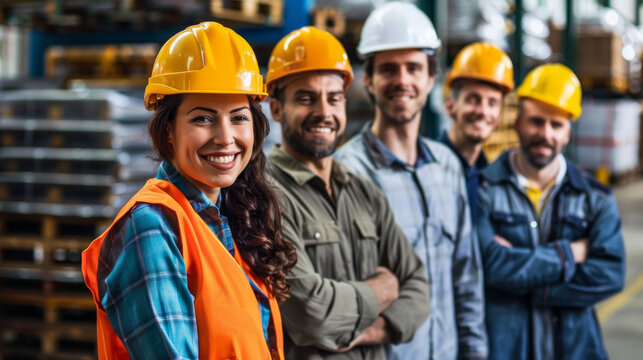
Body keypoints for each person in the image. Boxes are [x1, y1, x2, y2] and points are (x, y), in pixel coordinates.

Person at [81, 22, 296, 359]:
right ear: (168, 131)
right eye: (203, 119)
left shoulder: (230, 217)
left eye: (238, 117)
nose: (226, 137)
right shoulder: (152, 228)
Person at [265, 26, 430, 359]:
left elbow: (418, 286)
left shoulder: (363, 192)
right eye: (306, 98)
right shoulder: (266, 196)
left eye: (334, 98)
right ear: (277, 109)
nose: (324, 112)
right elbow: (311, 316)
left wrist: (374, 331)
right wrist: (382, 289)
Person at [335, 2, 487, 359]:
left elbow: (466, 278)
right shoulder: (348, 172)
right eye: (389, 69)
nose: (402, 80)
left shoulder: (448, 166)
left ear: (430, 79)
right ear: (368, 80)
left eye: (413, 68)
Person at [477, 63, 625, 359]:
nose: (546, 134)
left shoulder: (595, 199)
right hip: (508, 349)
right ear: (517, 122)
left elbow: (610, 274)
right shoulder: (484, 190)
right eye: (536, 121)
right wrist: (570, 254)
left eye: (556, 125)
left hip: (575, 349)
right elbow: (489, 267)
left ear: (568, 132)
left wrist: (529, 287)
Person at [440, 42, 514, 221]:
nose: (483, 111)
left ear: (499, 115)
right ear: (450, 106)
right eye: (473, 99)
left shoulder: (486, 175)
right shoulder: (432, 171)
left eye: (492, 103)